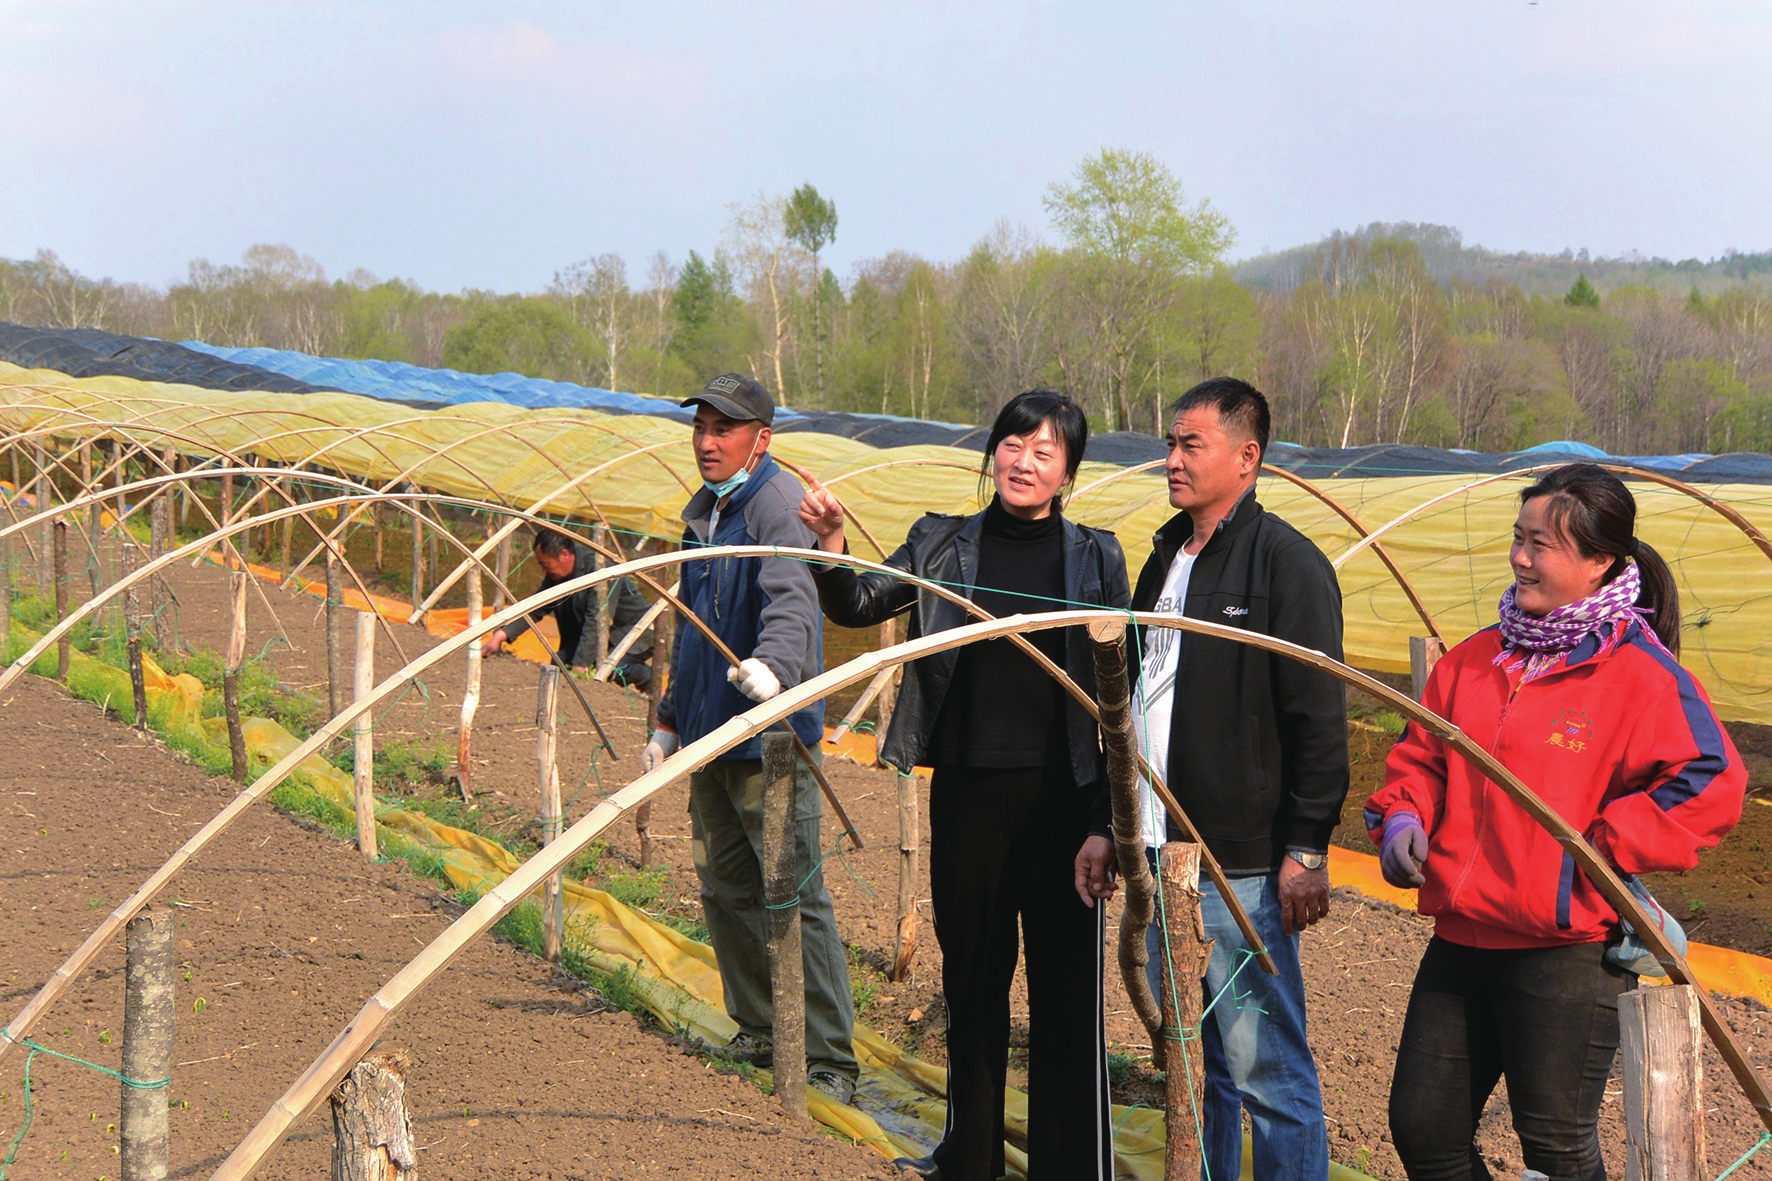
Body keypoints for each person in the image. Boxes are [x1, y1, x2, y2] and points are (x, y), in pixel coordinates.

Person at [1367, 463, 1746, 1180]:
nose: (1519, 557)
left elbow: (1713, 781)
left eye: (1541, 544)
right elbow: (1422, 757)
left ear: (1599, 561)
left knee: (1557, 1144)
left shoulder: (1638, 673)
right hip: (1462, 936)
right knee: (1423, 1127)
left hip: (1563, 950)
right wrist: (1402, 817)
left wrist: (1593, 853)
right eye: (1518, 538)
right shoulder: (1476, 660)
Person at [801, 389, 1129, 1181]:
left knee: (1065, 995)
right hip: (971, 793)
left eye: (1045, 451)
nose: (1024, 461)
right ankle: (969, 1157)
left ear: (1068, 472)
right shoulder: (941, 542)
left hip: (1063, 800)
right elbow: (859, 600)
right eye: (1013, 444)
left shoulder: (1096, 556)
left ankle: (1072, 1165)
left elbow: (1121, 697)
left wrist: (1104, 818)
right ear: (993, 455)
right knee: (974, 980)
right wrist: (830, 544)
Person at [1075, 376, 1347, 1180]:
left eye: (1191, 444)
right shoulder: (1165, 557)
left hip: (1241, 866)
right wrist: (1107, 819)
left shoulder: (1286, 566)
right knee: (1197, 1066)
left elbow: (1317, 718)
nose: (1172, 459)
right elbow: (1125, 708)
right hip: (1162, 853)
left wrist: (1307, 843)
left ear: (1247, 455)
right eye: (1170, 442)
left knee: (1267, 1067)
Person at [640, 373, 859, 1103]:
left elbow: (793, 601)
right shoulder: (704, 510)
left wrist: (775, 667)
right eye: (699, 427)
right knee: (726, 885)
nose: (706, 441)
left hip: (768, 736)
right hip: (709, 733)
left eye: (722, 429)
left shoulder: (774, 506)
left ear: (760, 440)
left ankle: (827, 1054)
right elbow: (692, 627)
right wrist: (670, 716)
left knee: (791, 890)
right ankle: (762, 1028)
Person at [481, 527, 655, 684]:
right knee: (559, 666)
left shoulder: (601, 570)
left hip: (634, 632)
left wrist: (581, 664)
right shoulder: (556, 577)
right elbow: (536, 607)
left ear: (564, 554)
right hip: (602, 635)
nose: (544, 571)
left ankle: (647, 678)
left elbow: (596, 620)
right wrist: (500, 636)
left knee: (609, 669)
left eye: (545, 564)